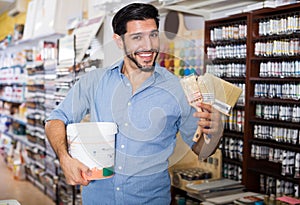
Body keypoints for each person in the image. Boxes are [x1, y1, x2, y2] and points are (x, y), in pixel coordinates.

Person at [45, 3, 221, 204]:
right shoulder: (94, 82)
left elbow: (202, 150)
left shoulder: (178, 89)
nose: (148, 46)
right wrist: (64, 158)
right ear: (119, 41)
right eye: (137, 37)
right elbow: (55, 120)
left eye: (153, 35)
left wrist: (214, 132)